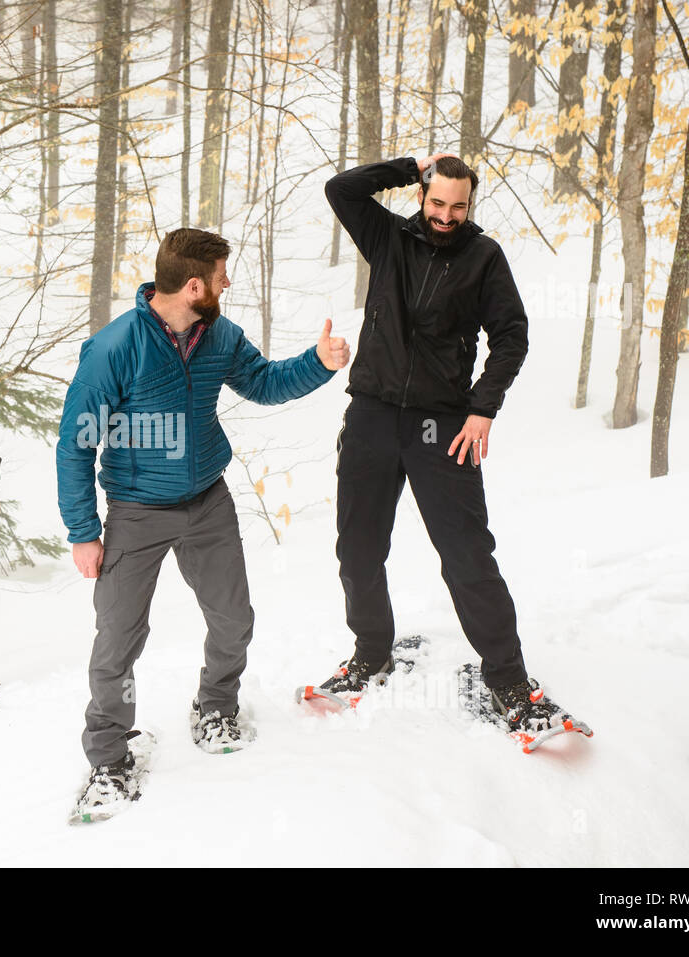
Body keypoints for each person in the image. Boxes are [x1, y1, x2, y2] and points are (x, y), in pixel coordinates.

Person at [57, 227, 350, 809]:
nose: (227, 282)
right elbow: (75, 444)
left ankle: (215, 706)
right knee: (118, 640)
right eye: (220, 276)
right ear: (194, 285)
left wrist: (317, 363)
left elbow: (264, 383)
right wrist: (84, 531)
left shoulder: (220, 335)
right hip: (137, 511)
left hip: (208, 501)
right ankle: (109, 757)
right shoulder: (115, 348)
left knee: (233, 618)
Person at [322, 152, 555, 731]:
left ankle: (507, 678)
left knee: (467, 555)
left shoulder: (483, 257)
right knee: (358, 549)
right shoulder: (388, 236)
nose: (446, 216)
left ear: (469, 205)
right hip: (373, 415)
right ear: (422, 195)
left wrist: (482, 410)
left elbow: (512, 337)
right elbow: (341, 189)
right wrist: (407, 165)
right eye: (437, 203)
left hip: (442, 426)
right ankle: (371, 654)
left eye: (458, 206)